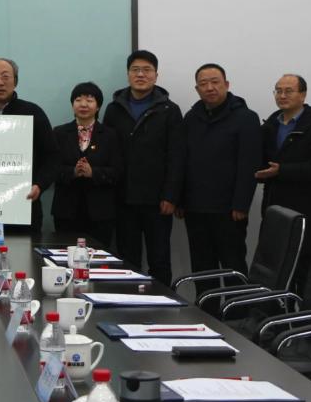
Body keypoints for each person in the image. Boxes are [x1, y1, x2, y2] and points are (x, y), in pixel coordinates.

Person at [102, 50, 182, 286]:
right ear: (128, 74)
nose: (141, 74)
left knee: (159, 259)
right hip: (123, 197)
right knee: (127, 260)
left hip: (158, 200)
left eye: (147, 70)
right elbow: (108, 151)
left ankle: (163, 303)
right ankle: (129, 304)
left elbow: (177, 156)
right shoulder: (114, 109)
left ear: (156, 75)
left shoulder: (169, 110)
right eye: (135, 70)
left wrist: (171, 195)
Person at [180, 63, 261, 296]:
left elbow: (249, 164)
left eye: (215, 82)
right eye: (203, 84)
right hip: (196, 208)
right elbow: (183, 161)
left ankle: (239, 313)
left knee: (233, 266)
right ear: (197, 89)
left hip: (229, 210)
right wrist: (181, 199)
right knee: (202, 267)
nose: (209, 88)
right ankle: (207, 311)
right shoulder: (191, 118)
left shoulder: (246, 118)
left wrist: (241, 204)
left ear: (226, 84)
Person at [0, 58, 58, 234]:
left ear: (15, 82)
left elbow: (52, 157)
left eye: (5, 77)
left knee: (23, 252)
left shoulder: (33, 112)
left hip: (24, 207)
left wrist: (39, 185)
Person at [52, 82, 121, 247]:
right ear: (72, 104)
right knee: (66, 255)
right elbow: (51, 168)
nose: (83, 104)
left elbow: (118, 171)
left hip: (100, 212)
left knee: (98, 256)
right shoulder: (59, 133)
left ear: (98, 106)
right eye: (78, 100)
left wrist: (93, 173)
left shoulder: (110, 135)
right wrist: (73, 172)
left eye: (89, 100)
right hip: (66, 210)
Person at [255, 74, 311, 217]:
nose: (282, 96)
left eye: (288, 91)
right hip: (273, 205)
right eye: (278, 91)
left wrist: (281, 170)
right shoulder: (270, 126)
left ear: (303, 95)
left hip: (306, 207)